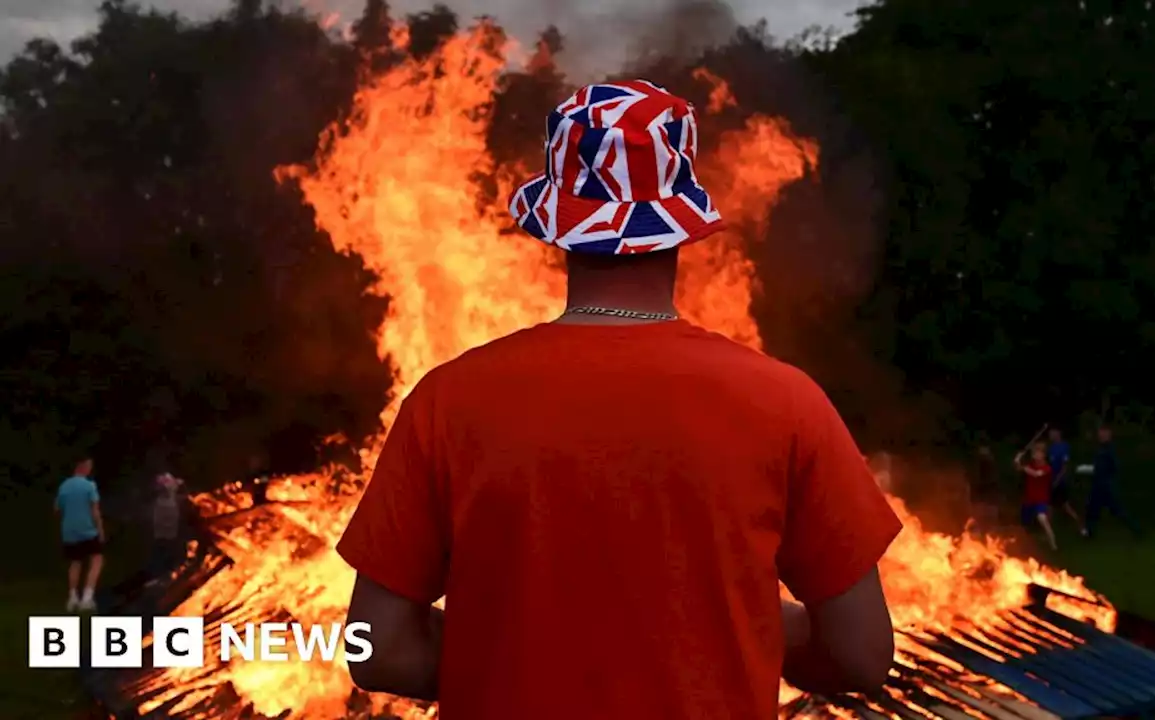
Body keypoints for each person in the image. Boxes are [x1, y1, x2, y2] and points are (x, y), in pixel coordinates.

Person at [335, 80, 903, 720]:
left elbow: (378, 648)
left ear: (557, 228)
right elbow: (860, 653)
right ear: (679, 227)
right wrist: (765, 633)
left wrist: (501, 658)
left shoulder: (446, 400)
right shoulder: (787, 402)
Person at [55, 457, 105, 612]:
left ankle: (72, 598)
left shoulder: (64, 486)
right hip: (88, 530)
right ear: (82, 466)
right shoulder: (90, 486)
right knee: (97, 559)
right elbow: (95, 510)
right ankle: (87, 598)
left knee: (75, 563)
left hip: (69, 531)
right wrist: (100, 529)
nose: (90, 469)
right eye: (89, 466)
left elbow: (57, 509)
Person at [1085, 426, 1141, 538]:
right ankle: (1089, 532)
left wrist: (1104, 473)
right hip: (1098, 484)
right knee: (1092, 509)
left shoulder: (1110, 449)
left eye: (1103, 434)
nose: (1101, 436)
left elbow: (1114, 466)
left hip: (1107, 485)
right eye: (1100, 434)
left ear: (1109, 434)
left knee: (1118, 510)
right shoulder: (1100, 448)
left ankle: (1137, 530)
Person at [1014, 442, 1057, 550]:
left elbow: (1036, 474)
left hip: (1040, 500)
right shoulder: (1030, 466)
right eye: (1034, 453)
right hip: (1029, 500)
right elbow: (1018, 468)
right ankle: (1025, 544)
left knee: (1042, 518)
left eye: (1038, 453)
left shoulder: (1047, 468)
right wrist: (1017, 460)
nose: (1035, 455)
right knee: (1024, 524)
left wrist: (1022, 467)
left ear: (1043, 455)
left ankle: (1053, 544)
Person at [1046, 428, 1086, 536]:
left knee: (1064, 506)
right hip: (1052, 481)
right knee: (1050, 506)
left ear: (1058, 433)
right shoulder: (1051, 448)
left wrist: (1057, 480)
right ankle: (1048, 531)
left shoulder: (1064, 447)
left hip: (1060, 482)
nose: (1050, 435)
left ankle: (1080, 524)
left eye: (1052, 433)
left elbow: (1065, 467)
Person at [148, 472, 185, 582]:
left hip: (164, 531)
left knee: (164, 547)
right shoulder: (167, 504)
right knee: (167, 547)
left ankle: (162, 572)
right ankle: (163, 574)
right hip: (167, 532)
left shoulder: (163, 501)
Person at [969, 443, 1000, 527]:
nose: (983, 451)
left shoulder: (990, 465)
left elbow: (993, 481)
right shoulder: (977, 465)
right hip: (981, 498)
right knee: (979, 521)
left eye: (985, 449)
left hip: (988, 498)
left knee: (989, 523)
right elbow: (974, 481)